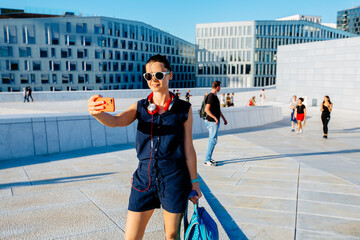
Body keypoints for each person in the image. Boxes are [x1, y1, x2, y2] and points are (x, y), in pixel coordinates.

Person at [88, 54, 201, 239]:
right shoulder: (140, 107)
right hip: (144, 179)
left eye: (158, 74)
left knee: (172, 236)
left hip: (174, 179)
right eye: (148, 76)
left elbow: (189, 148)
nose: (153, 80)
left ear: (170, 75)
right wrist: (97, 114)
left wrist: (195, 182)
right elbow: (117, 120)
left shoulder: (184, 109)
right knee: (131, 237)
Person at [204, 81, 228, 166]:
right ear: (217, 87)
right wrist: (215, 118)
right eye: (220, 86)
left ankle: (209, 158)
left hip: (214, 121)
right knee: (212, 140)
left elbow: (218, 110)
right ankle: (207, 160)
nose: (220, 88)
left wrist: (224, 119)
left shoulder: (214, 96)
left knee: (213, 140)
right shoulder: (211, 96)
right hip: (212, 121)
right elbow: (206, 110)